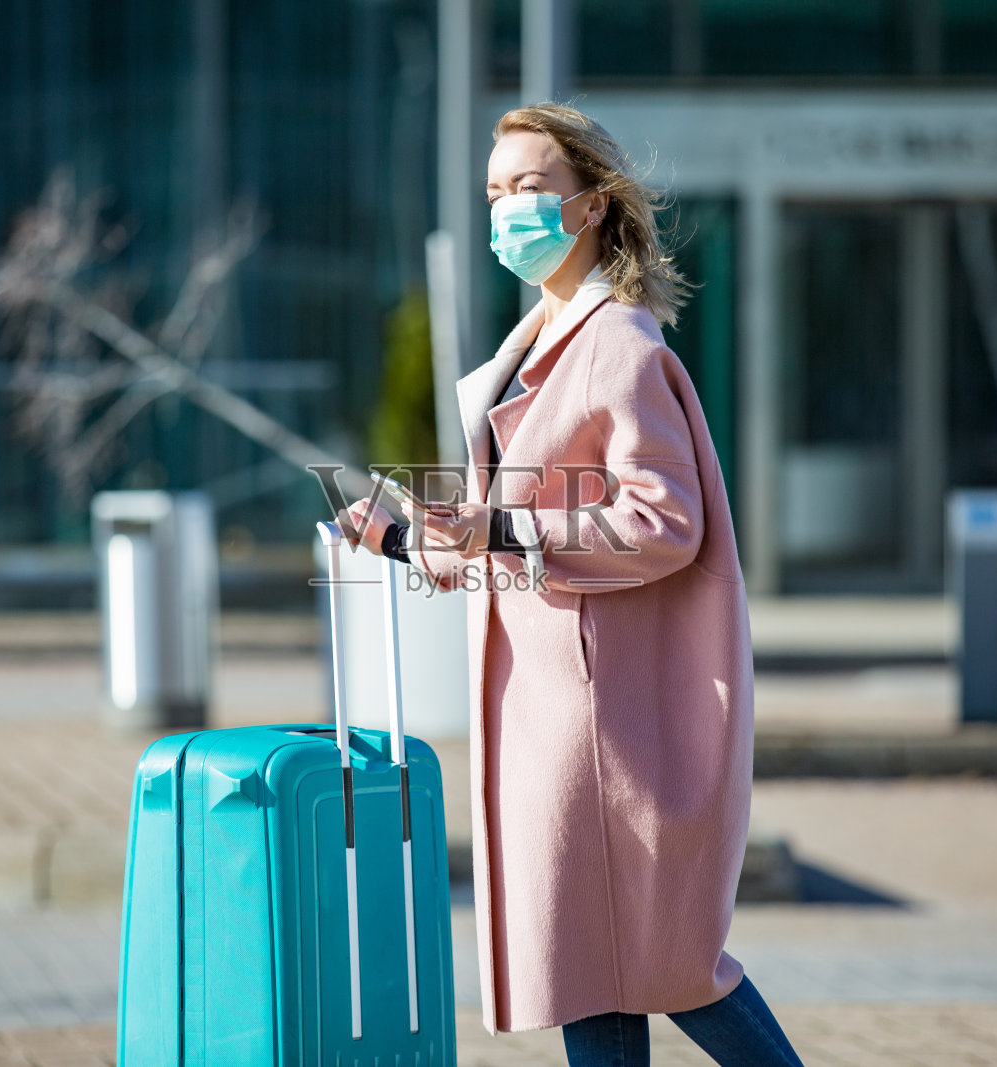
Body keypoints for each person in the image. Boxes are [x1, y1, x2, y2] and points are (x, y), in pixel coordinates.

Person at [336, 103, 803, 1067]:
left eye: (532, 188)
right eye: (498, 189)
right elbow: (496, 537)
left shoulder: (618, 348)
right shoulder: (532, 345)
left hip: (603, 724)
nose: (509, 208)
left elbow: (663, 524)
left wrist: (504, 525)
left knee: (662, 962)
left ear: (589, 207)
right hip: (555, 715)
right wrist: (394, 539)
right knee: (595, 966)